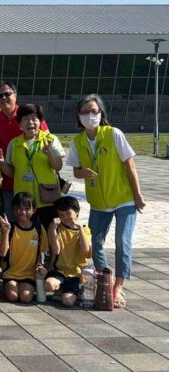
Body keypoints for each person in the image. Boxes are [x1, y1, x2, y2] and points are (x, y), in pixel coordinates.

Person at [67, 94, 145, 309]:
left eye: (94, 111)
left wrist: (137, 195)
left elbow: (130, 165)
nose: (89, 116)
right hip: (98, 201)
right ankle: (105, 279)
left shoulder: (113, 134)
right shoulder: (77, 141)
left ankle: (118, 286)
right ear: (78, 115)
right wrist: (83, 172)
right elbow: (75, 171)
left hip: (123, 198)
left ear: (101, 113)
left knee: (122, 241)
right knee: (96, 242)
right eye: (85, 112)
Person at [0, 81, 49, 219]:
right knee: (12, 218)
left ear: (15, 95)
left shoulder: (30, 115)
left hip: (35, 178)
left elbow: (47, 140)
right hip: (9, 176)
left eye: (7, 94)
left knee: (37, 219)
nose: (3, 98)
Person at [0, 104, 64, 230]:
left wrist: (50, 154)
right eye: (26, 119)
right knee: (27, 234)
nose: (30, 122)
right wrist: (1, 164)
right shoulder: (14, 143)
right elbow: (11, 172)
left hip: (47, 198)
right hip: (24, 202)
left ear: (40, 122)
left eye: (34, 118)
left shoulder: (50, 139)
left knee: (49, 232)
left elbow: (58, 166)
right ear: (20, 124)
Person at [0, 192, 47, 304]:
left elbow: (41, 252)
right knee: (13, 296)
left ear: (34, 210)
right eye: (19, 208)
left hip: (29, 273)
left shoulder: (39, 228)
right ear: (13, 209)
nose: (23, 212)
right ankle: (3, 284)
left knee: (25, 298)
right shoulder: (10, 228)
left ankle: (28, 287)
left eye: (27, 209)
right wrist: (5, 233)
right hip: (10, 272)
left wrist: (39, 265)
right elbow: (2, 253)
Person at [45, 196, 92, 307]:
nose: (65, 217)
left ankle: (76, 290)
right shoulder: (55, 227)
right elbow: (56, 250)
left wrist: (80, 229)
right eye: (61, 215)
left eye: (68, 213)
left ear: (77, 212)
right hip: (59, 270)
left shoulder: (85, 229)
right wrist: (53, 229)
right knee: (48, 285)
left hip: (76, 273)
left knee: (67, 302)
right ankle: (61, 289)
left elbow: (86, 251)